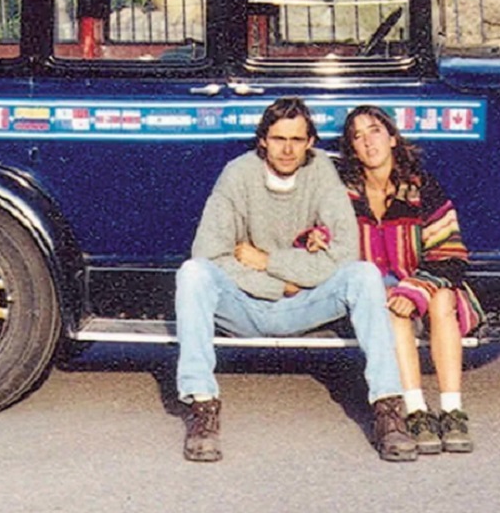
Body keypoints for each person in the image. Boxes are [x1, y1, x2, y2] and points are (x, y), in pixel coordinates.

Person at [174, 97, 417, 463]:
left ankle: (387, 409)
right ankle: (202, 406)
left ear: (310, 143)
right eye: (278, 139)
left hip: (304, 303)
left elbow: (344, 252)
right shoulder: (238, 174)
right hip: (247, 304)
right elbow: (210, 253)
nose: (287, 150)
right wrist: (280, 284)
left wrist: (269, 261)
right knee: (193, 273)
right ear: (263, 140)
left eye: (297, 140)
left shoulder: (320, 172)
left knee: (364, 275)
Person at [335, 105, 482, 454]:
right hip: (375, 291)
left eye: (375, 131)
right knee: (392, 308)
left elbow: (450, 253)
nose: (368, 142)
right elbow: (326, 238)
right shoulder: (343, 194)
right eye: (357, 136)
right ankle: (416, 411)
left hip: (425, 282)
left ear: (392, 138)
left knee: (443, 298)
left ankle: (452, 410)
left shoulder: (421, 189)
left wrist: (415, 289)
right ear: (352, 148)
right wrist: (314, 238)